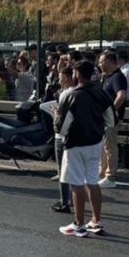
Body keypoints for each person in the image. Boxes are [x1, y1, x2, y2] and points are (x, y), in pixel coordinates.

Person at [56, 60, 115, 237]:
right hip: (95, 142)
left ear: (77, 74)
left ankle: (79, 224)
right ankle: (96, 221)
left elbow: (61, 126)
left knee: (76, 184)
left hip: (75, 144)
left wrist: (55, 116)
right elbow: (111, 119)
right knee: (92, 181)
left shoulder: (70, 95)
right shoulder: (101, 93)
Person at [96, 51, 127, 189]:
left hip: (111, 119)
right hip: (105, 118)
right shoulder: (108, 77)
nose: (99, 64)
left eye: (101, 61)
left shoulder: (118, 77)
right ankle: (102, 173)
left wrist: (111, 111)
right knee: (103, 146)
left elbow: (121, 95)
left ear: (109, 61)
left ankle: (110, 175)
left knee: (110, 146)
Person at [50, 66, 76, 212]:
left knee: (62, 170)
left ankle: (64, 201)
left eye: (60, 77)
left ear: (66, 77)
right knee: (74, 170)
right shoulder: (78, 91)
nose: (58, 80)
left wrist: (55, 113)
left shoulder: (65, 94)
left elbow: (61, 118)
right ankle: (74, 199)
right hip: (74, 135)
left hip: (61, 135)